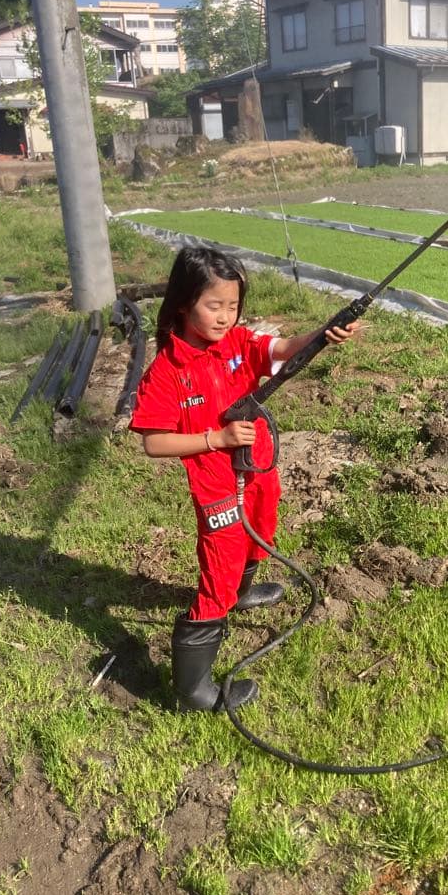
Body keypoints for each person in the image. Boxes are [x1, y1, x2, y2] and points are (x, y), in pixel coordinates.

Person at [130, 246, 360, 712]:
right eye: (214, 306)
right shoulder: (168, 372)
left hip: (255, 468)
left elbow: (278, 351)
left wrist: (322, 333)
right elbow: (155, 442)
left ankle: (240, 592)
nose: (224, 317)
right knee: (220, 565)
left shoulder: (235, 343)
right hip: (217, 485)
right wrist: (215, 438)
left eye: (232, 307)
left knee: (259, 530)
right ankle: (194, 690)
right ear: (182, 303)